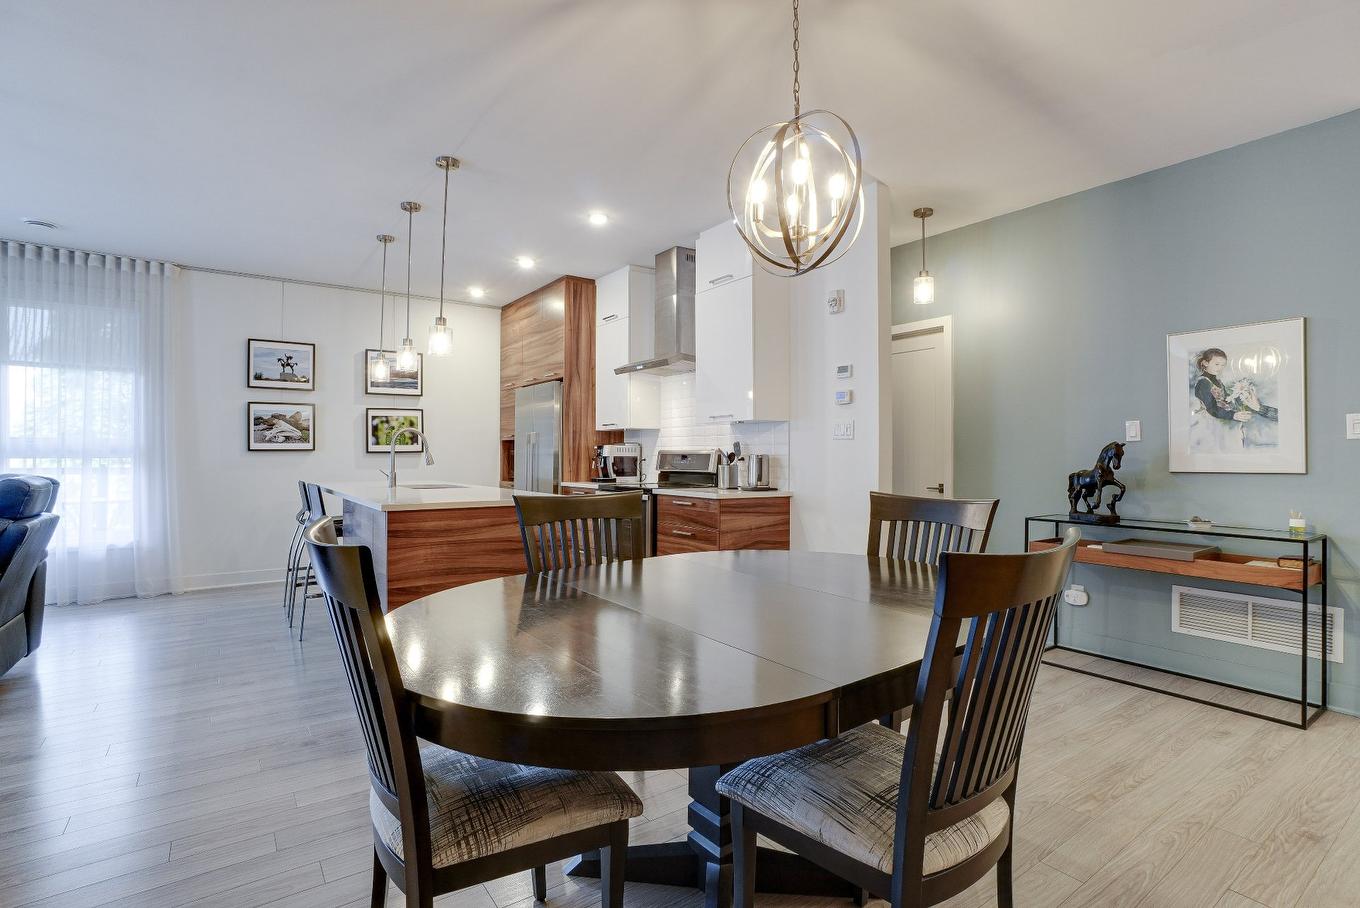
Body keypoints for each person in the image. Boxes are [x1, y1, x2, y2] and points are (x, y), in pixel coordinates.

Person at [1188, 348, 1277, 453]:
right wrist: (1233, 415)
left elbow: (1226, 398)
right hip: (1212, 419)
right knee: (1219, 446)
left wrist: (1240, 395)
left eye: (1223, 365)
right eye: (1217, 364)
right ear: (1205, 363)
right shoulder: (1203, 383)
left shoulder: (1217, 380)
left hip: (1222, 417)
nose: (1220, 368)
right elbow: (1211, 407)